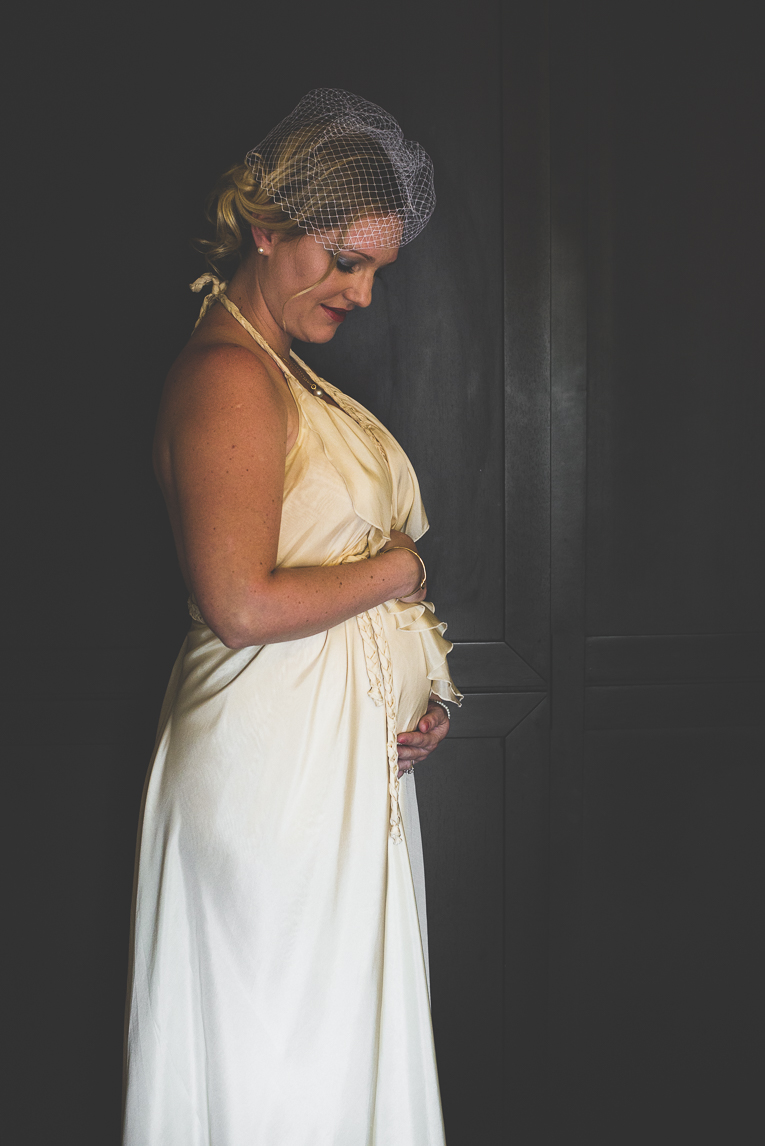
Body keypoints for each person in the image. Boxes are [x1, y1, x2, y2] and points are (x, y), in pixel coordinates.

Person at [122, 88, 462, 1146]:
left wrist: (423, 695)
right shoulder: (229, 376)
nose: (360, 293)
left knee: (326, 1054)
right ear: (267, 228)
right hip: (271, 784)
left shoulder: (279, 372)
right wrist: (400, 573)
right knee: (280, 1056)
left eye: (374, 270)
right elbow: (240, 602)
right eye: (342, 260)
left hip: (330, 774)